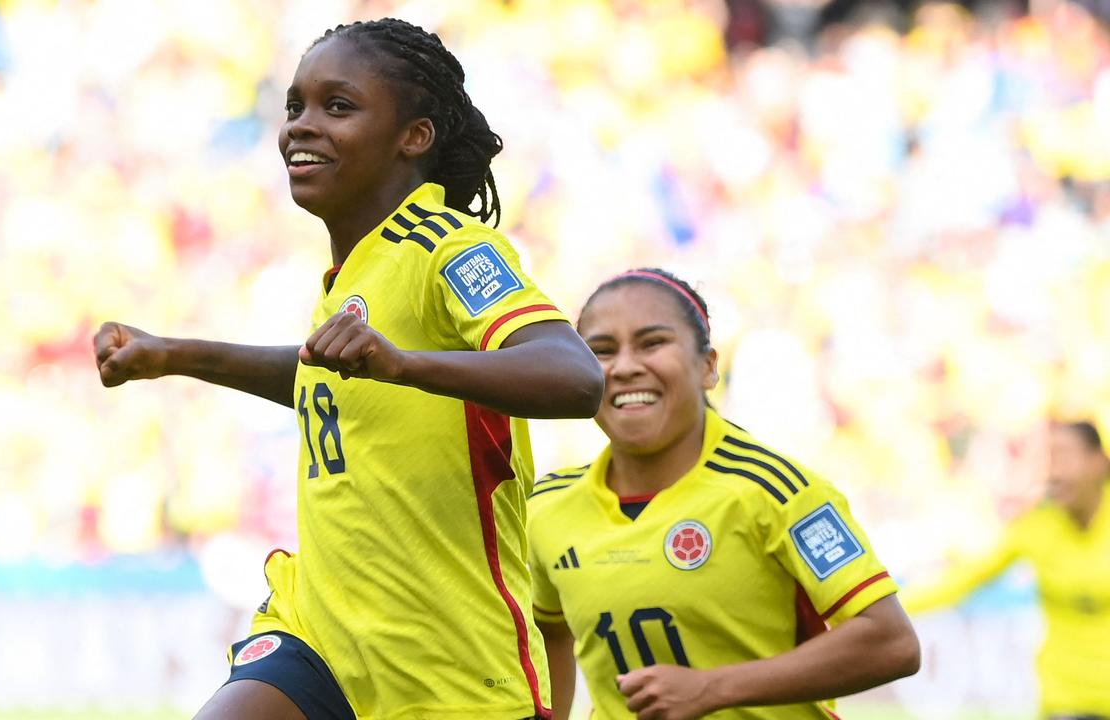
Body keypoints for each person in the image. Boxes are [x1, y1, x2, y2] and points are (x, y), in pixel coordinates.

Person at [92, 18, 604, 720]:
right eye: (295, 106)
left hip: (446, 663)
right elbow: (325, 382)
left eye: (338, 106)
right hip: (323, 628)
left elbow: (574, 375)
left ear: (414, 136)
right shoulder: (354, 269)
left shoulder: (446, 249)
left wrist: (406, 364)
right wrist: (176, 356)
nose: (302, 126)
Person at [527, 268, 921, 720]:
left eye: (653, 343)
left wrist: (711, 688)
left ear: (708, 366)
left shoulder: (775, 489)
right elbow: (547, 632)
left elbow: (891, 642)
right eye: (601, 351)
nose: (626, 366)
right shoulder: (548, 505)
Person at [903, 421, 1110, 720]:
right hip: (1065, 700)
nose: (1055, 472)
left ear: (1098, 463)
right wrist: (882, 607)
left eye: (1064, 456)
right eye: (1050, 459)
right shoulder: (1038, 524)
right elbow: (965, 578)